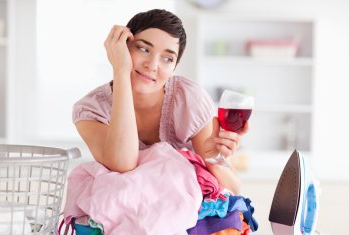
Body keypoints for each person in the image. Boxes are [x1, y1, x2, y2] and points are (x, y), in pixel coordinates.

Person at [72, 9, 248, 194]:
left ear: (174, 67)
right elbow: (122, 163)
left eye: (167, 58)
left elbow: (234, 188)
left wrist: (214, 161)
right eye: (143, 49)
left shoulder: (189, 100)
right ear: (122, 48)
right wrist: (121, 71)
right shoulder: (91, 110)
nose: (153, 65)